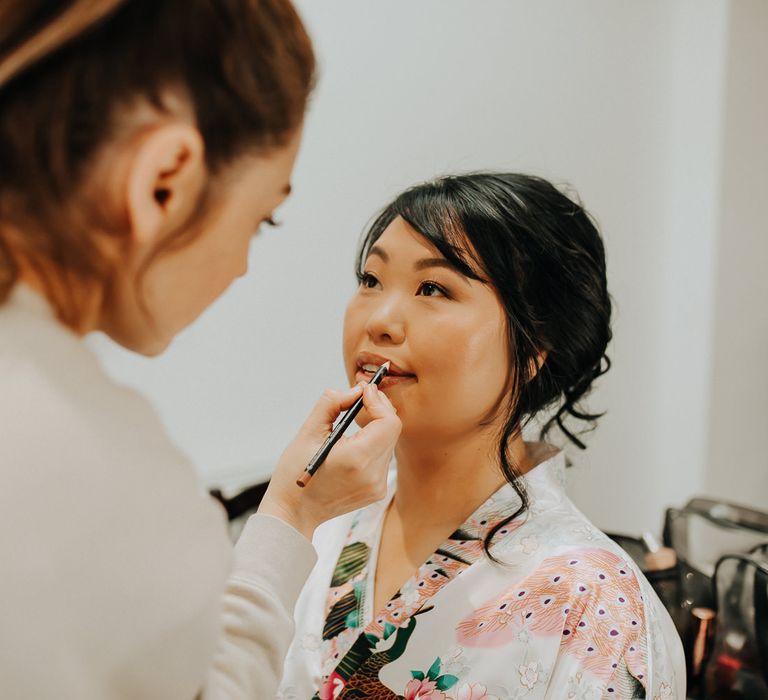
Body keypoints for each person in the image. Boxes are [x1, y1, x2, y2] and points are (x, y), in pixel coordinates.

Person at [0, 1, 401, 698]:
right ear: (165, 182)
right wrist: (294, 517)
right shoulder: (101, 471)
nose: (243, 265)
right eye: (262, 218)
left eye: (438, 290)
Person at [278, 173, 686, 699]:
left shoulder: (594, 604)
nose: (378, 320)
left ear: (535, 344)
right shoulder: (322, 524)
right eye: (371, 279)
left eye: (433, 288)